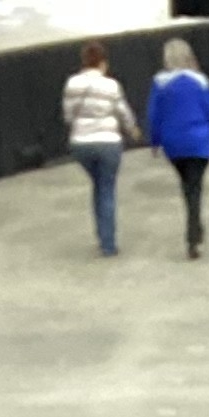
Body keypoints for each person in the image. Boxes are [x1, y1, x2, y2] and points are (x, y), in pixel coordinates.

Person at [62, 39, 140, 258]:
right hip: (108, 142)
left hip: (81, 143)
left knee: (98, 185)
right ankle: (108, 243)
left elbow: (68, 115)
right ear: (103, 62)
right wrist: (132, 129)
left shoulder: (72, 84)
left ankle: (101, 235)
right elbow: (122, 111)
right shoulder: (111, 85)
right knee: (106, 189)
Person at [147, 33, 209, 260]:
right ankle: (194, 235)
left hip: (173, 143)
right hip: (198, 140)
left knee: (187, 185)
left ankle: (194, 229)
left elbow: (154, 115)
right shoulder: (200, 81)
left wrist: (155, 141)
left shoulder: (160, 83)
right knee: (195, 186)